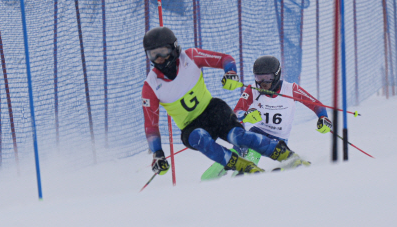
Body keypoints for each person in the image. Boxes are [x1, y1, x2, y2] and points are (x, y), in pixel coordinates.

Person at [141, 27, 304, 177]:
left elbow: (225, 59)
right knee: (200, 138)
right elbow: (151, 126)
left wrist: (230, 73)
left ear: (174, 47)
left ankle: (289, 157)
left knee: (238, 137)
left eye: (163, 52)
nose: (160, 59)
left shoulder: (190, 57)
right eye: (153, 54)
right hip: (190, 127)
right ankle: (247, 168)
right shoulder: (151, 86)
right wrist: (158, 154)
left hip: (213, 111)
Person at [232, 56, 332, 166]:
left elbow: (316, 105)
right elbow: (237, 111)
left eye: (267, 78)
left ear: (276, 75)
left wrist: (323, 117)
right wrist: (245, 115)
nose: (262, 83)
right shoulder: (252, 89)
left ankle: (297, 167)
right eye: (258, 78)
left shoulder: (290, 89)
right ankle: (224, 170)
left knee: (261, 151)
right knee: (237, 147)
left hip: (278, 138)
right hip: (258, 131)